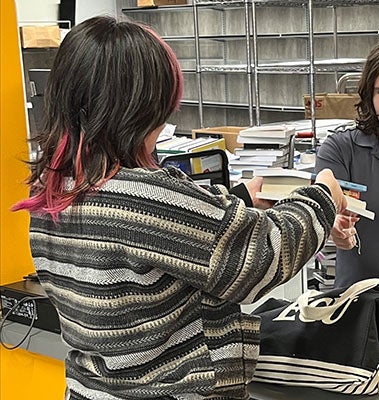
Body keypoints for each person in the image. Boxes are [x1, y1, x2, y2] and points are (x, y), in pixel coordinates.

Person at [12, 16, 346, 400]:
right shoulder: (146, 198)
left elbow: (158, 243)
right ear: (139, 109)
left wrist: (238, 195)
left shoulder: (54, 192)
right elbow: (263, 256)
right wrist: (322, 197)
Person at [314, 35, 379, 291]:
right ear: (369, 94)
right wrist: (334, 227)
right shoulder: (340, 149)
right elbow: (323, 206)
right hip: (357, 313)